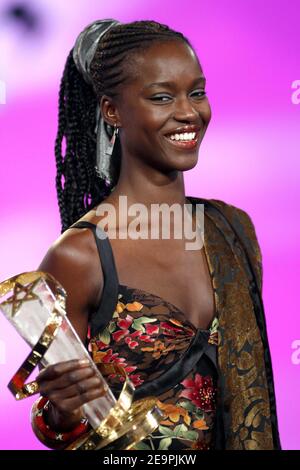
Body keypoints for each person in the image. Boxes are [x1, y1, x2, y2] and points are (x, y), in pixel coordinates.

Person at [31, 19, 281, 450]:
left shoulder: (233, 229)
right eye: (162, 97)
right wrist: (61, 410)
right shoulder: (78, 256)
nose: (189, 112)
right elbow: (59, 422)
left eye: (197, 92)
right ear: (111, 110)